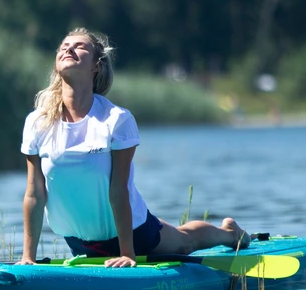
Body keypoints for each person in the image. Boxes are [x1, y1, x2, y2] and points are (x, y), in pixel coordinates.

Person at [18, 28, 250, 268]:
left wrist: (128, 253)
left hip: (133, 233)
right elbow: (34, 193)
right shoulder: (37, 122)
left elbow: (119, 190)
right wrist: (28, 258)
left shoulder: (116, 119)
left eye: (80, 46)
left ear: (96, 66)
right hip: (78, 240)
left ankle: (230, 234)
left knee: (184, 243)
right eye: (64, 45)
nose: (68, 49)